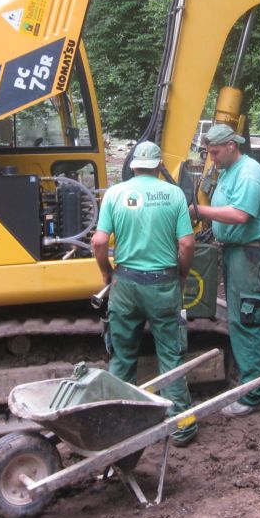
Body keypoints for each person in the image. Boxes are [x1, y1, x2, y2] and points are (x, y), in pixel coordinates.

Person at [91, 140, 198, 447]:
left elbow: (99, 242)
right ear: (158, 165)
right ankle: (182, 427)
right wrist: (182, 273)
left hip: (125, 285)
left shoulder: (114, 194)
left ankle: (122, 427)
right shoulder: (174, 194)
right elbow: (188, 244)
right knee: (171, 355)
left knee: (123, 358)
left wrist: (106, 273)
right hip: (163, 285)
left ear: (133, 164)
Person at [191, 123, 260, 417]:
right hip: (237, 251)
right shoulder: (228, 171)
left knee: (249, 317)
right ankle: (249, 384)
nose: (212, 158)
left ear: (231, 145)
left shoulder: (249, 173)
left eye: (215, 152)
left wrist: (199, 211)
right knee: (239, 318)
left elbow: (240, 215)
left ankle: (255, 397)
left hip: (252, 252)